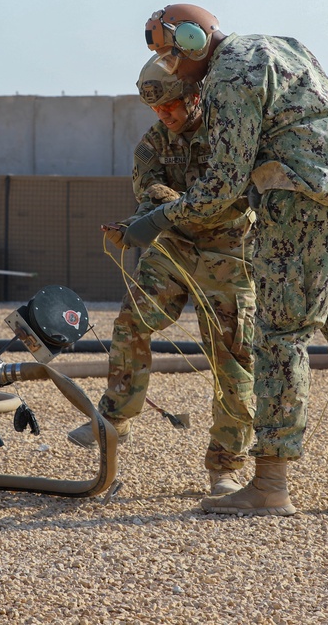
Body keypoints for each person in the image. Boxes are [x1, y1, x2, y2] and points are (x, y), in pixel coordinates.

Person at [124, 3, 328, 516]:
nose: (173, 73)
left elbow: (224, 183)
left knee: (279, 336)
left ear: (192, 41)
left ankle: (271, 484)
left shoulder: (229, 75)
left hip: (303, 204)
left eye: (171, 60)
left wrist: (161, 217)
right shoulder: (283, 47)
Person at [67, 54, 257, 498]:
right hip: (174, 247)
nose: (163, 116)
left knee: (233, 358)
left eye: (170, 106)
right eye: (155, 109)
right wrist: (132, 226)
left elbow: (232, 197)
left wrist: (169, 206)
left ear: (194, 97)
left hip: (229, 256)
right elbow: (150, 199)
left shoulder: (229, 135)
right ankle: (114, 421)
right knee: (131, 323)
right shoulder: (151, 147)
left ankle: (225, 467)